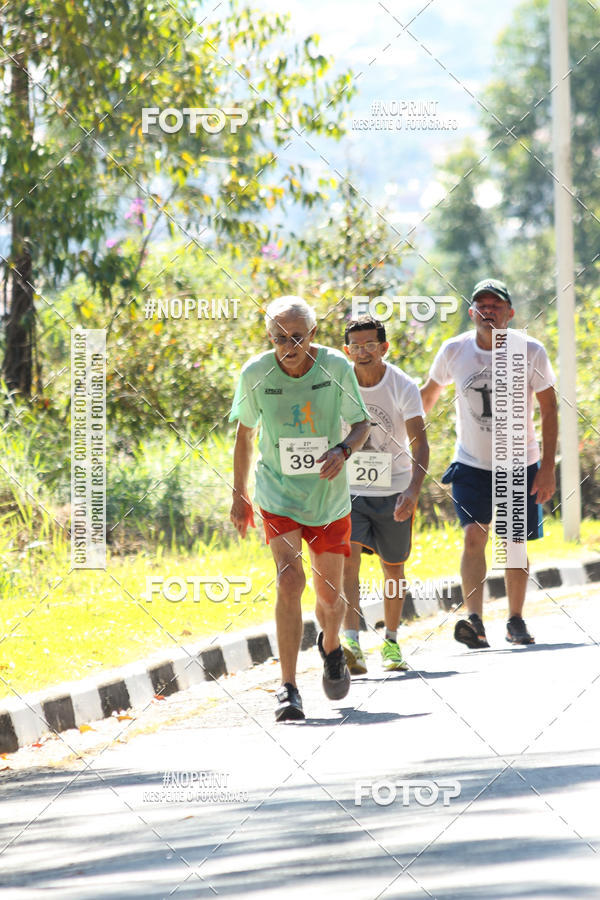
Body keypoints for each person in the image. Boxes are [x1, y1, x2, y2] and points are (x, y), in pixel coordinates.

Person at [229, 296, 371, 720]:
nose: (287, 346)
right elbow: (245, 434)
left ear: (312, 335)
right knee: (290, 581)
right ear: (268, 337)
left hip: (327, 496)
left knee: (330, 596)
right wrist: (239, 494)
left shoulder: (336, 367)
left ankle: (330, 646)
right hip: (277, 494)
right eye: (277, 338)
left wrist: (343, 450)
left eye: (295, 337)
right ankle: (288, 688)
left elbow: (362, 423)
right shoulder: (256, 373)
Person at [420, 278, 558, 647]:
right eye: (481, 305)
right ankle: (475, 620)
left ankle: (515, 619)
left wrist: (547, 468)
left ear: (510, 313)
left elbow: (549, 408)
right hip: (471, 462)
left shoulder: (530, 351)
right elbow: (426, 398)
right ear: (471, 313)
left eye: (496, 306)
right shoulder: (454, 350)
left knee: (514, 542)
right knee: (473, 536)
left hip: (520, 463)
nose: (488, 312)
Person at [340, 317, 429, 673]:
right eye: (356, 347)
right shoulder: (337, 383)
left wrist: (412, 492)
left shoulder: (403, 385)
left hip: (394, 488)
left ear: (384, 347)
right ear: (348, 351)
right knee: (348, 563)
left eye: (370, 345)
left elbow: (420, 442)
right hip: (350, 490)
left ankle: (391, 641)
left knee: (393, 568)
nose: (363, 353)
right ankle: (351, 641)